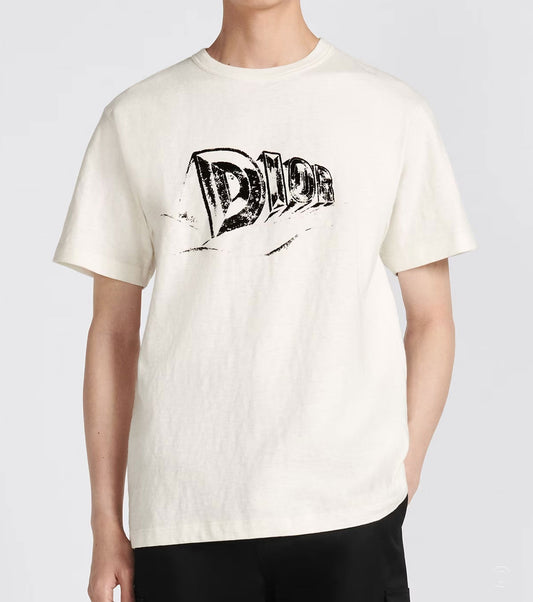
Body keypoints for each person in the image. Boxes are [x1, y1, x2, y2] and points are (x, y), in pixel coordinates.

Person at [52, 1, 477, 600]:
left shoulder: (391, 111)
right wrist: (104, 522)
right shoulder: (138, 117)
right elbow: (113, 333)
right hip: (185, 517)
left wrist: (400, 477)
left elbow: (432, 319)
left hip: (348, 511)